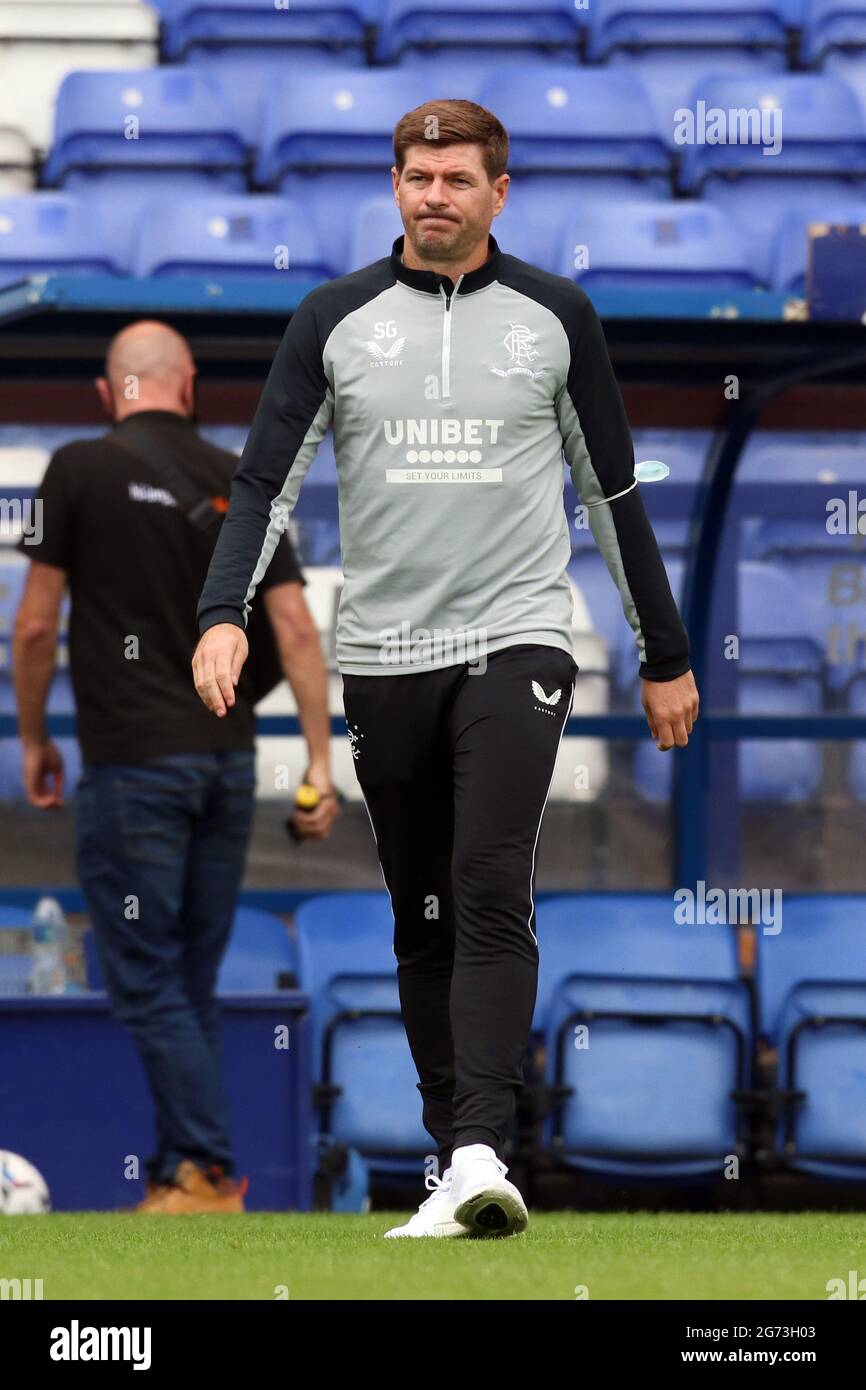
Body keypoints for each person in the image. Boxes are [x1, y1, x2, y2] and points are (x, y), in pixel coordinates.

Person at [192, 100, 700, 1237]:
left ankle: (480, 1147)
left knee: (487, 877)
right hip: (384, 656)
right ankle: (452, 1164)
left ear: (497, 193)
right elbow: (263, 483)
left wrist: (663, 652)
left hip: (517, 637)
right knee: (420, 911)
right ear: (394, 185)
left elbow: (612, 492)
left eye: (457, 178)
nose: (435, 195)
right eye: (417, 176)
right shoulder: (331, 319)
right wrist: (222, 613)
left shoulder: (557, 316)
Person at [13, 320, 339, 1214]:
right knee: (188, 981)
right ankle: (178, 1174)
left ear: (107, 391)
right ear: (188, 386)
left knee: (144, 978)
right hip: (227, 767)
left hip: (133, 769)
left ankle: (202, 1169)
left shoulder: (75, 468)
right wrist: (320, 764)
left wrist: (35, 739)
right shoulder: (240, 479)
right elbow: (296, 628)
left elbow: (34, 625)